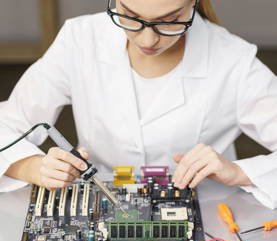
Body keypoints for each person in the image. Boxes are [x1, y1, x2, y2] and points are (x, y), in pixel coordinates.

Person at [0, 0, 276, 209]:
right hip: (99, 208)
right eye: (130, 16)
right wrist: (32, 165)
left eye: (169, 20)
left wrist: (240, 172)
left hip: (205, 216)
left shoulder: (235, 61)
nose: (148, 40)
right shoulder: (80, 39)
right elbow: (7, 124)